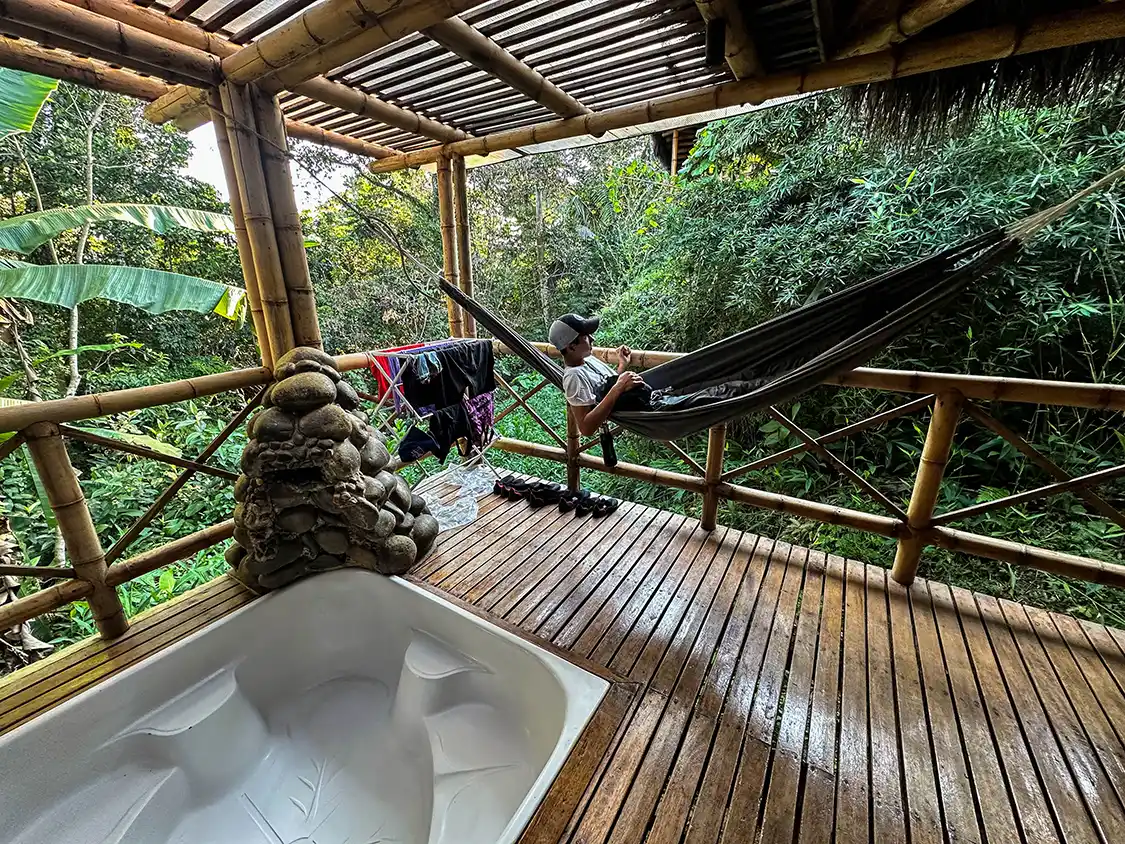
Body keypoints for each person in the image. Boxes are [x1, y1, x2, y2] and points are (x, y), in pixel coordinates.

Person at [549, 313, 644, 437]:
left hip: (650, 400)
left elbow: (607, 388)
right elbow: (586, 428)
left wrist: (622, 364)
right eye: (586, 336)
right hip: (649, 412)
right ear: (572, 347)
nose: (592, 338)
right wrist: (619, 386)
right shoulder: (574, 377)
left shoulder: (588, 359)